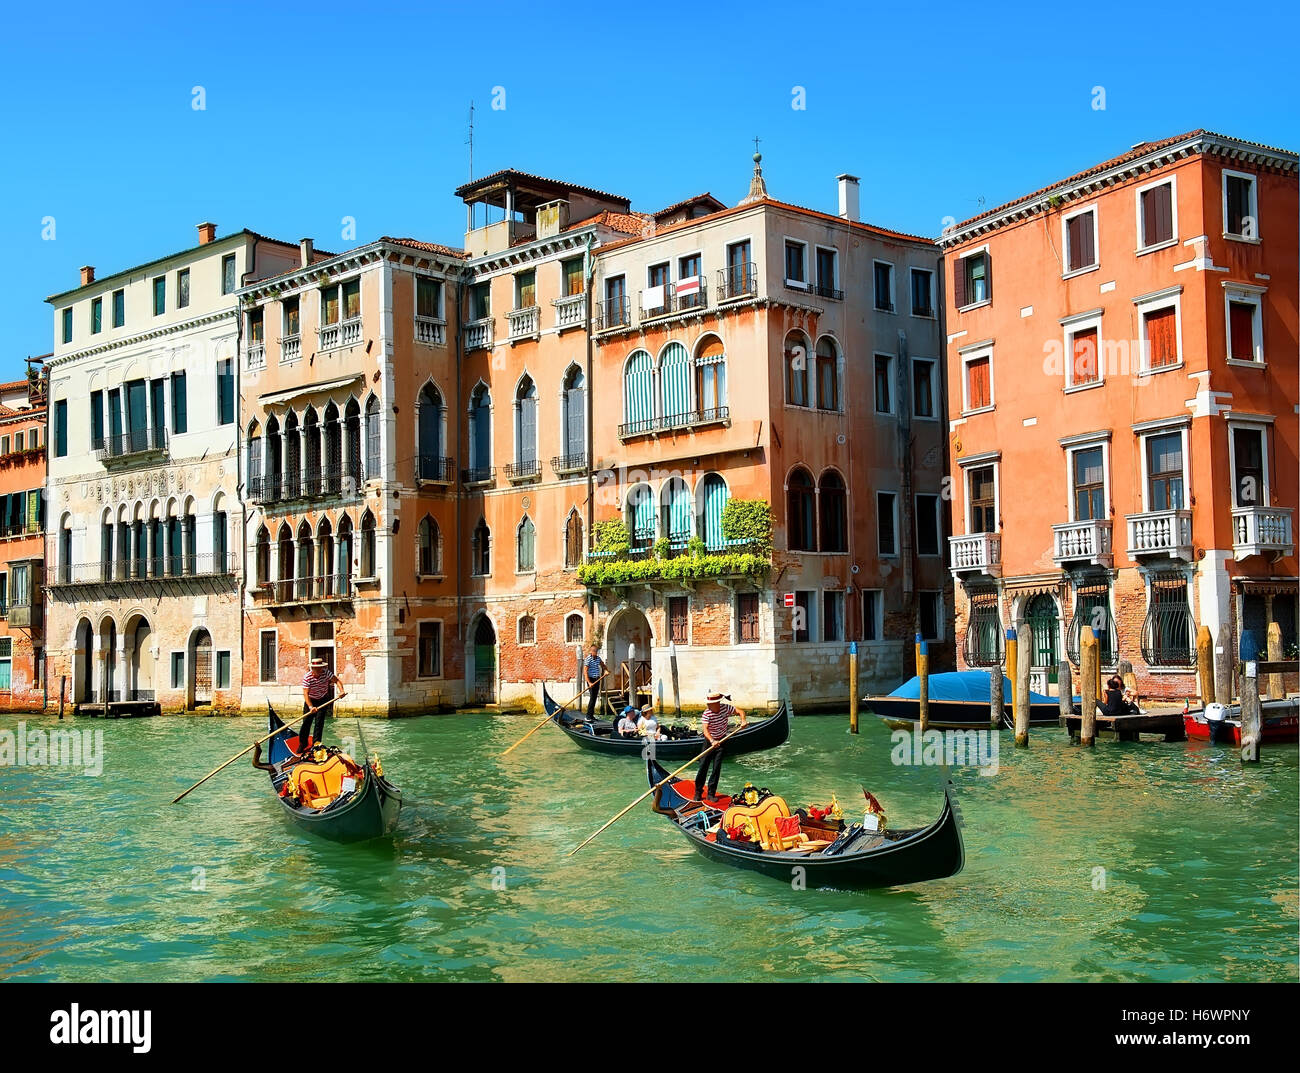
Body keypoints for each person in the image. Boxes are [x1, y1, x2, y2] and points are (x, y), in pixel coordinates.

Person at [695, 690, 746, 803]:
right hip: (709, 742)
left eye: (710, 703)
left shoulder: (725, 708)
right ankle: (698, 792)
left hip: (722, 741)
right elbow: (705, 730)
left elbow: (740, 711)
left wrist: (743, 720)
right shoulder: (706, 713)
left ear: (717, 703)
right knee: (703, 766)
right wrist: (712, 741)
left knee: (716, 768)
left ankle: (711, 794)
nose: (708, 705)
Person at [299, 657, 345, 755]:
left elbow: (337, 681)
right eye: (317, 668)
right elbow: (306, 694)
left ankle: (316, 745)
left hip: (322, 700)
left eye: (321, 668)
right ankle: (303, 744)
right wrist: (311, 707)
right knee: (306, 723)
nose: (320, 670)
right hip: (310, 701)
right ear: (312, 669)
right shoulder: (307, 677)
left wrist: (341, 691)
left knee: (319, 724)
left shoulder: (326, 673)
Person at [583, 643, 606, 722]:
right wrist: (589, 682)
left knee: (595, 697)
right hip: (591, 680)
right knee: (592, 698)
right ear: (591, 652)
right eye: (595, 651)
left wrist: (606, 670)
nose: (596, 652)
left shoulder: (598, 659)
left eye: (597, 651)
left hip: (597, 679)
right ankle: (588, 716)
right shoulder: (588, 659)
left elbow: (603, 665)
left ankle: (591, 715)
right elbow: (585, 672)